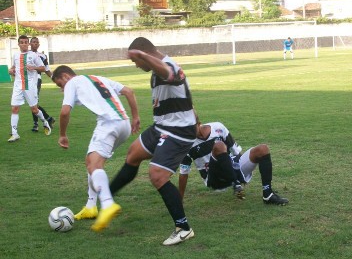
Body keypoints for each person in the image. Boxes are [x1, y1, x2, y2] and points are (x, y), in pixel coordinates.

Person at [105, 37, 197, 246]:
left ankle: (183, 228)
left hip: (178, 131)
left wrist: (142, 56)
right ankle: (107, 199)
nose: (136, 65)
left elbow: (169, 73)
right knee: (133, 154)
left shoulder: (168, 67)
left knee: (157, 175)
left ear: (144, 53)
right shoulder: (157, 70)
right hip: (162, 125)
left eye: (136, 61)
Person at [51, 65, 140, 232]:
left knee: (94, 165)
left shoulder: (73, 82)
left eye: (60, 85)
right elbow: (129, 91)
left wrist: (62, 134)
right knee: (91, 160)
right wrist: (136, 117)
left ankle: (107, 204)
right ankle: (91, 206)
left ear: (65, 76)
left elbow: (64, 112)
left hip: (108, 124)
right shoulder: (97, 78)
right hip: (124, 124)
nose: (62, 89)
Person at [179, 121, 289, 206]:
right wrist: (180, 199)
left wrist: (242, 169)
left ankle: (268, 194)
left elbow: (236, 152)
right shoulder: (185, 144)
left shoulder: (218, 127)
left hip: (231, 168)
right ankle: (236, 183)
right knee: (219, 146)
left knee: (262, 149)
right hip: (214, 178)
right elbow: (184, 173)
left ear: (198, 123)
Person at [8, 35, 52, 142]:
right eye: (21, 42)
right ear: (18, 44)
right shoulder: (15, 55)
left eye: (25, 42)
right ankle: (14, 133)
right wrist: (11, 70)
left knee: (34, 109)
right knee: (14, 108)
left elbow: (42, 68)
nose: (23, 44)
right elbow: (13, 68)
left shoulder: (33, 55)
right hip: (18, 86)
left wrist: (34, 67)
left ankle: (45, 122)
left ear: (28, 44)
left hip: (30, 86)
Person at [29, 37, 56, 132]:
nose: (35, 44)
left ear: (39, 45)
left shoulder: (43, 56)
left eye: (37, 42)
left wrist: (55, 79)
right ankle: (49, 119)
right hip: (27, 81)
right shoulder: (25, 55)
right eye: (33, 42)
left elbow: (47, 70)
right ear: (30, 44)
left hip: (37, 80)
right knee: (32, 103)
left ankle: (36, 125)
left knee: (33, 103)